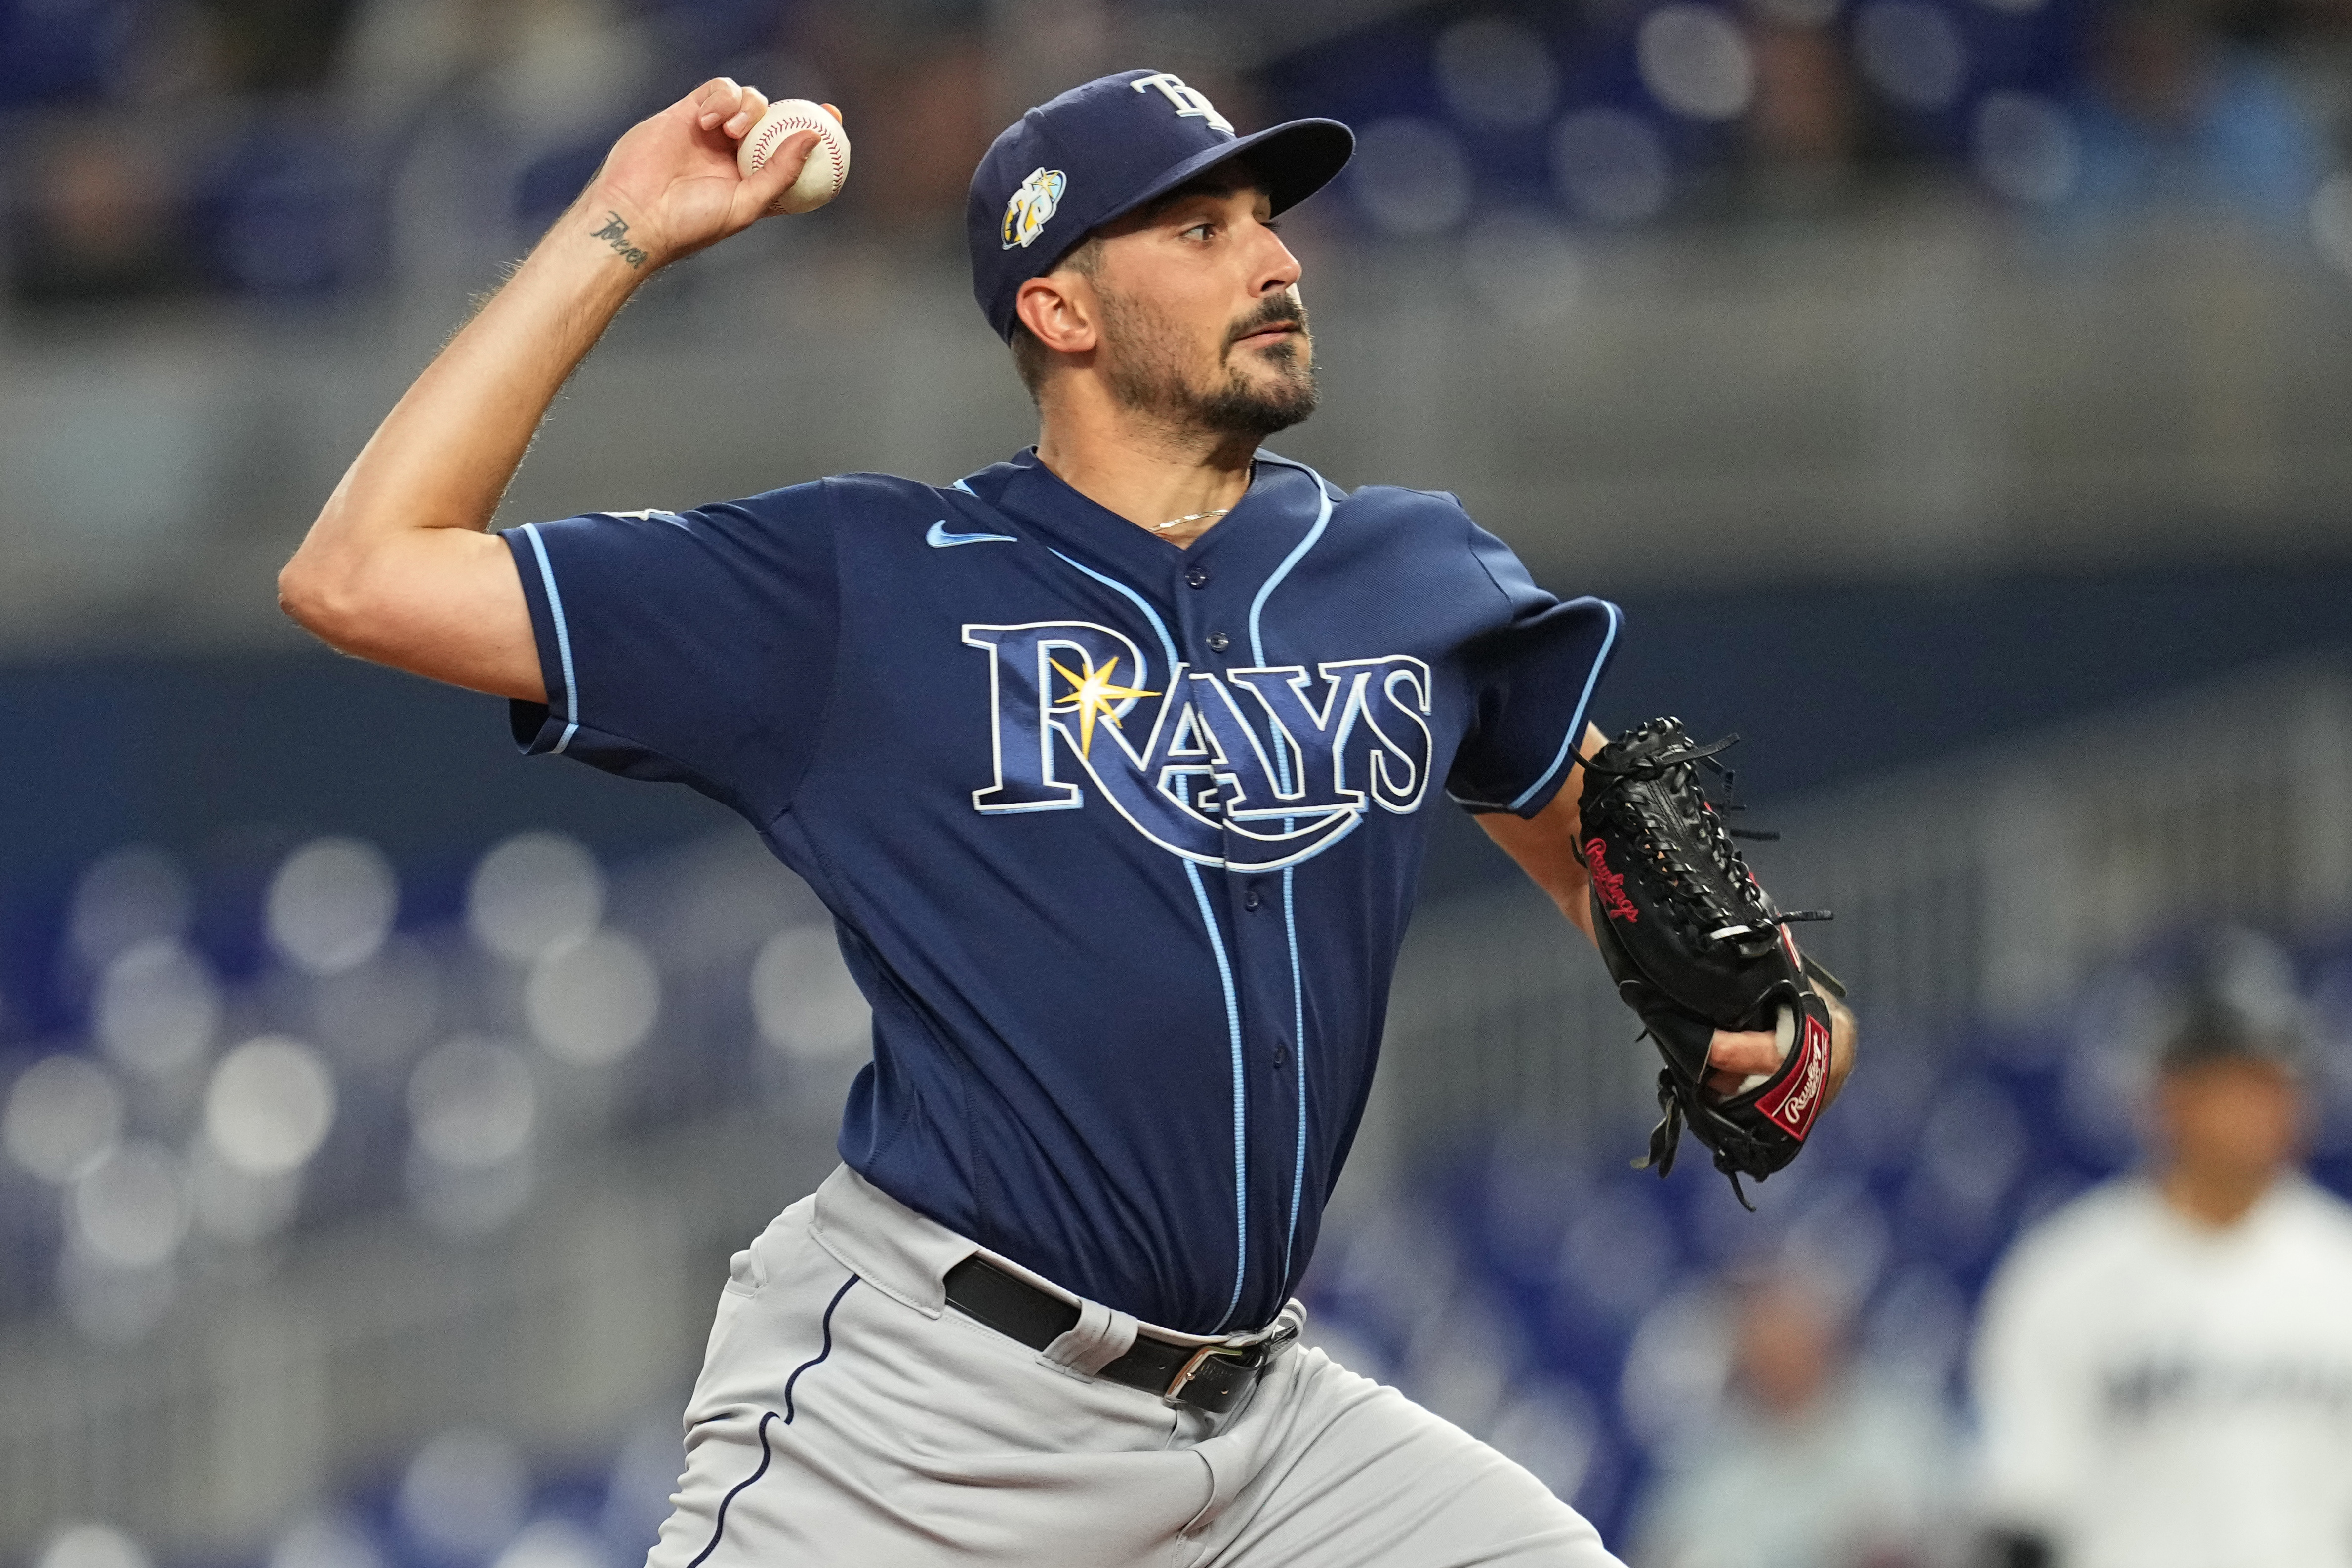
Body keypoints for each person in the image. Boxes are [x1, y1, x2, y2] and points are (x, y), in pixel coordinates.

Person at [278, 67, 1856, 1568]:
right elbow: (359, 572)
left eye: (1265, 216)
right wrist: (620, 225)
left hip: (1267, 1426)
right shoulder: (861, 586)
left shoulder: (1413, 574)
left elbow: (1616, 857)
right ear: (1058, 306)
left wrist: (1767, 1010)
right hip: (930, 1405)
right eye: (1200, 228)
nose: (1274, 256)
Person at [1971, 996, 2352, 1568]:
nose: (2267, 1107)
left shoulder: (2338, 1264)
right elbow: (2023, 1506)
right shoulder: (2064, 1275)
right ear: (2169, 1099)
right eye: (2237, 1084)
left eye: (2277, 1084)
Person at [1630, 1271, 1958, 1568]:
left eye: (1787, 1326)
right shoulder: (1709, 1480)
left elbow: (1965, 1498)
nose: (1780, 1350)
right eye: (1760, 1335)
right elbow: (1666, 1552)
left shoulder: (1896, 1413)